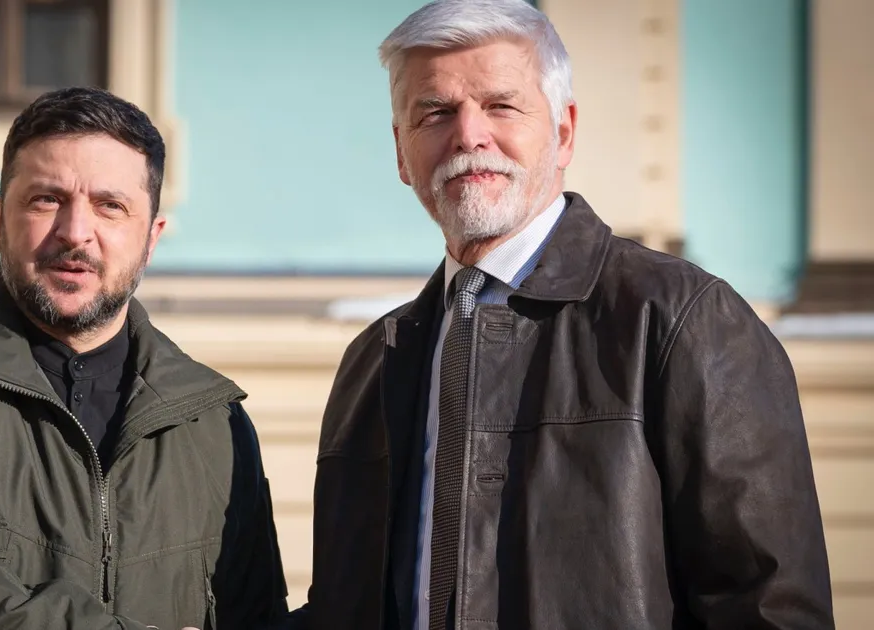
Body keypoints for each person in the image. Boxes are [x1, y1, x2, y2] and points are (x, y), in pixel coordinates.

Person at [292, 1, 834, 628]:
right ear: (401, 152)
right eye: (435, 112)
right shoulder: (373, 363)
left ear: (565, 131)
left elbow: (770, 608)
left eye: (501, 105)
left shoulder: (681, 319)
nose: (469, 135)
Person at [0, 87, 288, 630]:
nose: (75, 232)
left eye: (110, 206)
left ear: (151, 238)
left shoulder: (214, 420)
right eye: (46, 199)